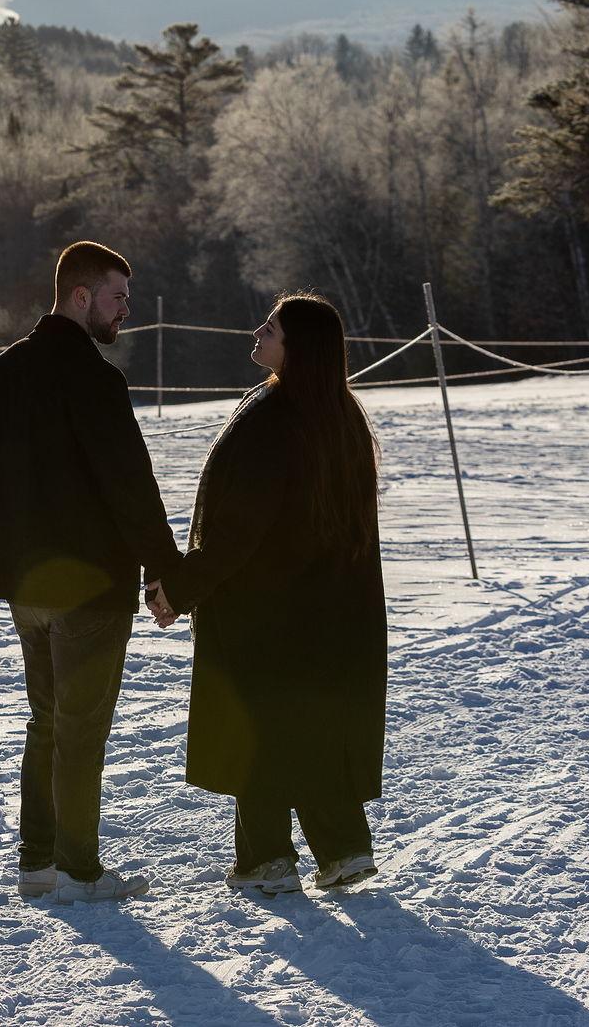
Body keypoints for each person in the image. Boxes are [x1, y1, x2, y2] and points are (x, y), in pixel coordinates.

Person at [0, 240, 182, 905]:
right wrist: (165, 570)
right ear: (80, 296)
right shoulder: (94, 378)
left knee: (48, 722)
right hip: (88, 589)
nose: (125, 310)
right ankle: (80, 872)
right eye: (117, 297)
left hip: (26, 588)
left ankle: (37, 863)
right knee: (79, 731)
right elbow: (130, 485)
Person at [147, 292, 387, 895]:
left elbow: (238, 531)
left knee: (261, 725)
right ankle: (340, 849)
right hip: (330, 611)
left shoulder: (275, 417)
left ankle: (268, 860)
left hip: (265, 607)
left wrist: (181, 588)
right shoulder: (341, 416)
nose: (258, 331)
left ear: (297, 347)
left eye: (272, 328)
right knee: (307, 723)